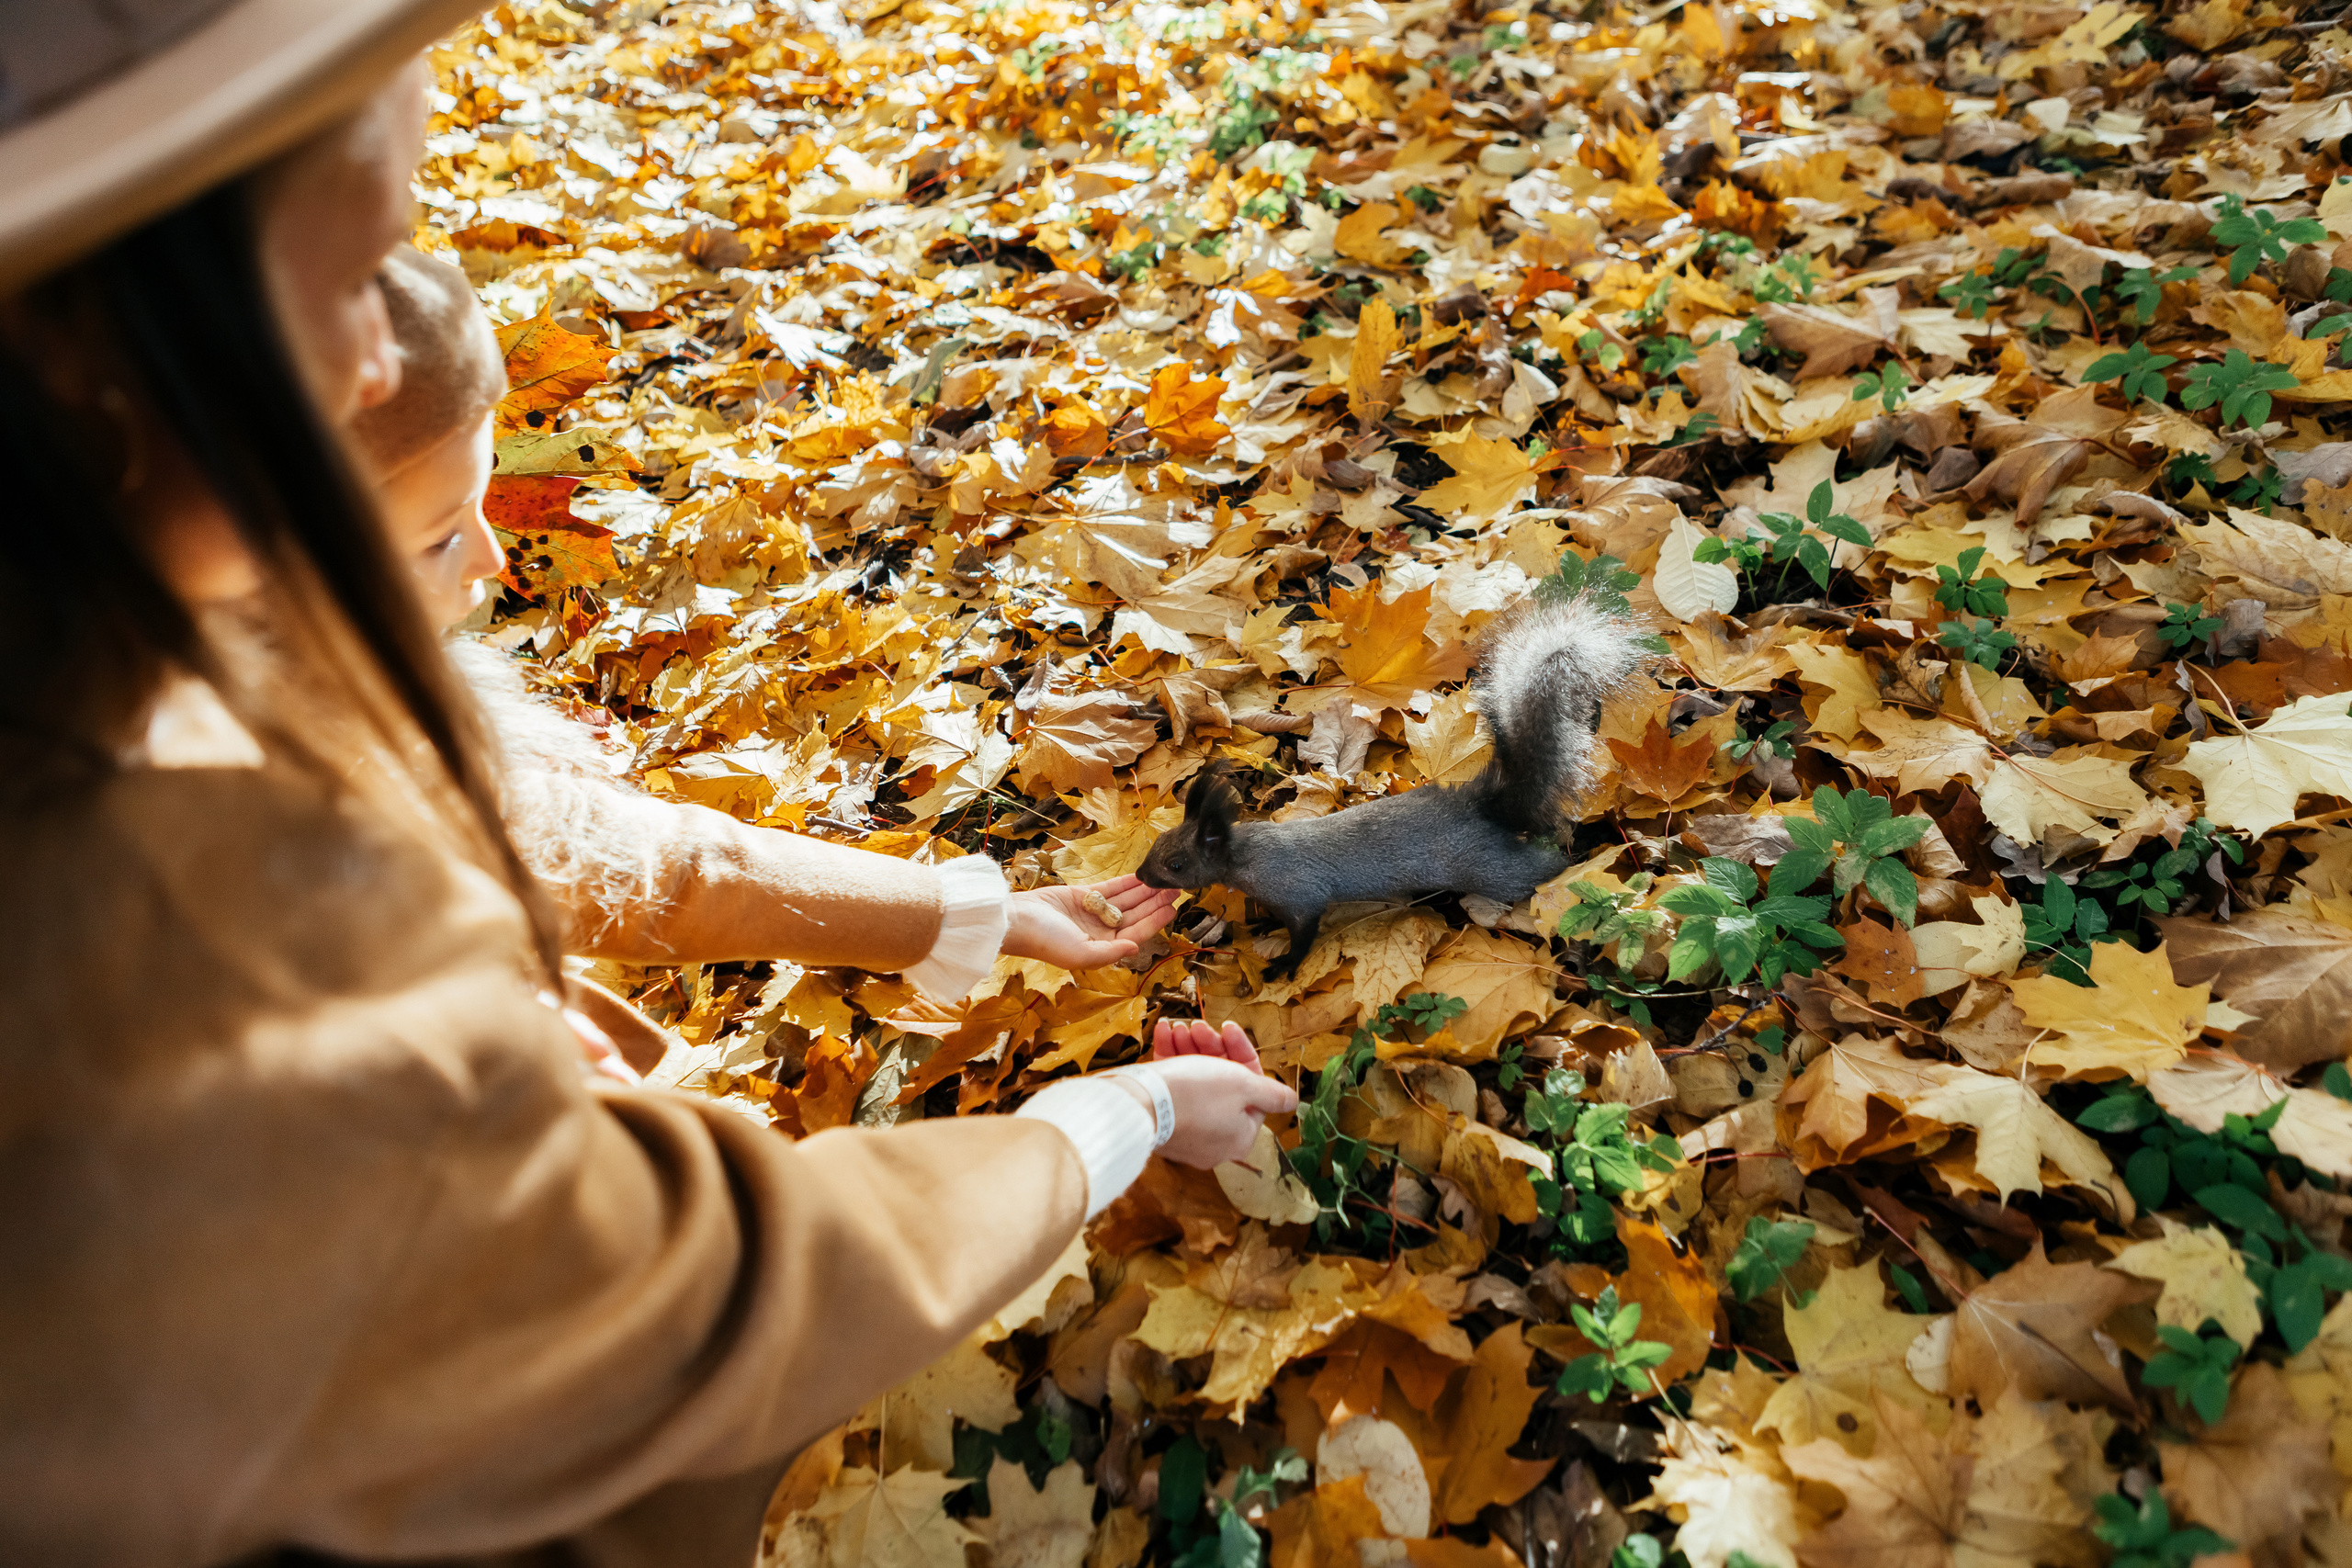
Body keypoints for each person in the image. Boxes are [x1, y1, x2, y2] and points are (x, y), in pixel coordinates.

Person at [0, 8, 1295, 1568]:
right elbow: (717, 1299)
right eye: (345, 281)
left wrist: (989, 912)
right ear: (101, 349)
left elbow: (614, 855)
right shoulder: (199, 946)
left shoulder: (154, 659)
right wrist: (1117, 1115)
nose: (364, 364)